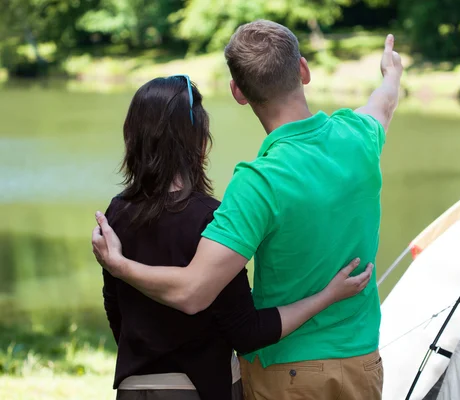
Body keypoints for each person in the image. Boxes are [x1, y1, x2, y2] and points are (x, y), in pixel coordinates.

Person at [93, 20, 403, 400]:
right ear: (303, 70)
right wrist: (391, 74)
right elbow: (383, 103)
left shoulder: (258, 183)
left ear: (239, 92)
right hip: (360, 363)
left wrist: (119, 265)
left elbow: (193, 291)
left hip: (285, 371)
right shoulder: (359, 136)